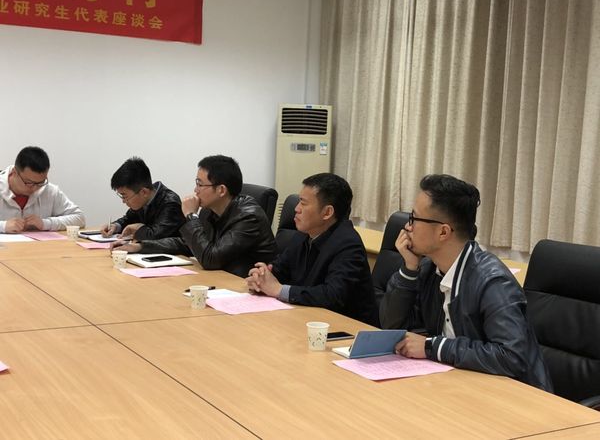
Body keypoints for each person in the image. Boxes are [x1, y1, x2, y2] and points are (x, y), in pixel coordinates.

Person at [379, 174, 552, 391]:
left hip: (515, 397)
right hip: (460, 385)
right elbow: (391, 327)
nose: (407, 227)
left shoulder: (493, 282)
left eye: (414, 218)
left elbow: (511, 356)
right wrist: (409, 270)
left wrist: (433, 347)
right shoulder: (429, 269)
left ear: (443, 232)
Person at [246, 173, 378, 326]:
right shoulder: (304, 234)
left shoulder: (348, 245)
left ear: (327, 212)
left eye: (303, 203)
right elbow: (279, 269)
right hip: (306, 319)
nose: (296, 209)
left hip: (345, 330)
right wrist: (261, 278)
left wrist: (278, 290)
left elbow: (332, 295)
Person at [112, 155, 277, 278]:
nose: (195, 190)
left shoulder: (249, 216)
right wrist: (140, 246)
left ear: (221, 190)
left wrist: (191, 216)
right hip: (221, 280)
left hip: (246, 287)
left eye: (200, 184)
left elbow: (211, 259)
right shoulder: (210, 209)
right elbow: (186, 243)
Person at [0, 146, 85, 233]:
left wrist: (45, 223)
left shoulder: (49, 191)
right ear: (14, 172)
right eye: (29, 183)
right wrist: (3, 226)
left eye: (40, 182)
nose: (35, 188)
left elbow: (79, 218)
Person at [102, 157, 185, 241]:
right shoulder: (143, 200)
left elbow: (156, 236)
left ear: (144, 192)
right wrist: (116, 226)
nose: (123, 201)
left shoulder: (170, 203)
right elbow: (128, 219)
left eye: (125, 196)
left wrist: (139, 228)